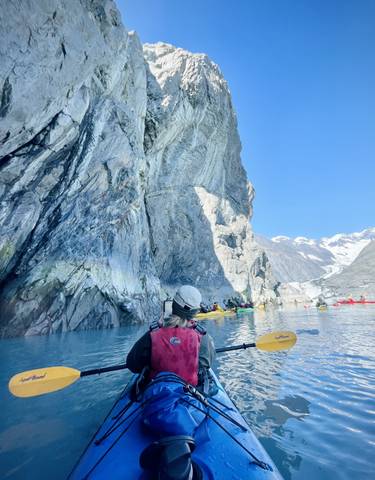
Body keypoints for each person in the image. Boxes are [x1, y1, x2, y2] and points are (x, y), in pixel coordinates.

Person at [126, 285, 216, 388]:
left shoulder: (152, 335)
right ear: (194, 313)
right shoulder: (202, 336)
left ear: (173, 305)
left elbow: (132, 364)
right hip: (189, 393)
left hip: (156, 393)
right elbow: (206, 364)